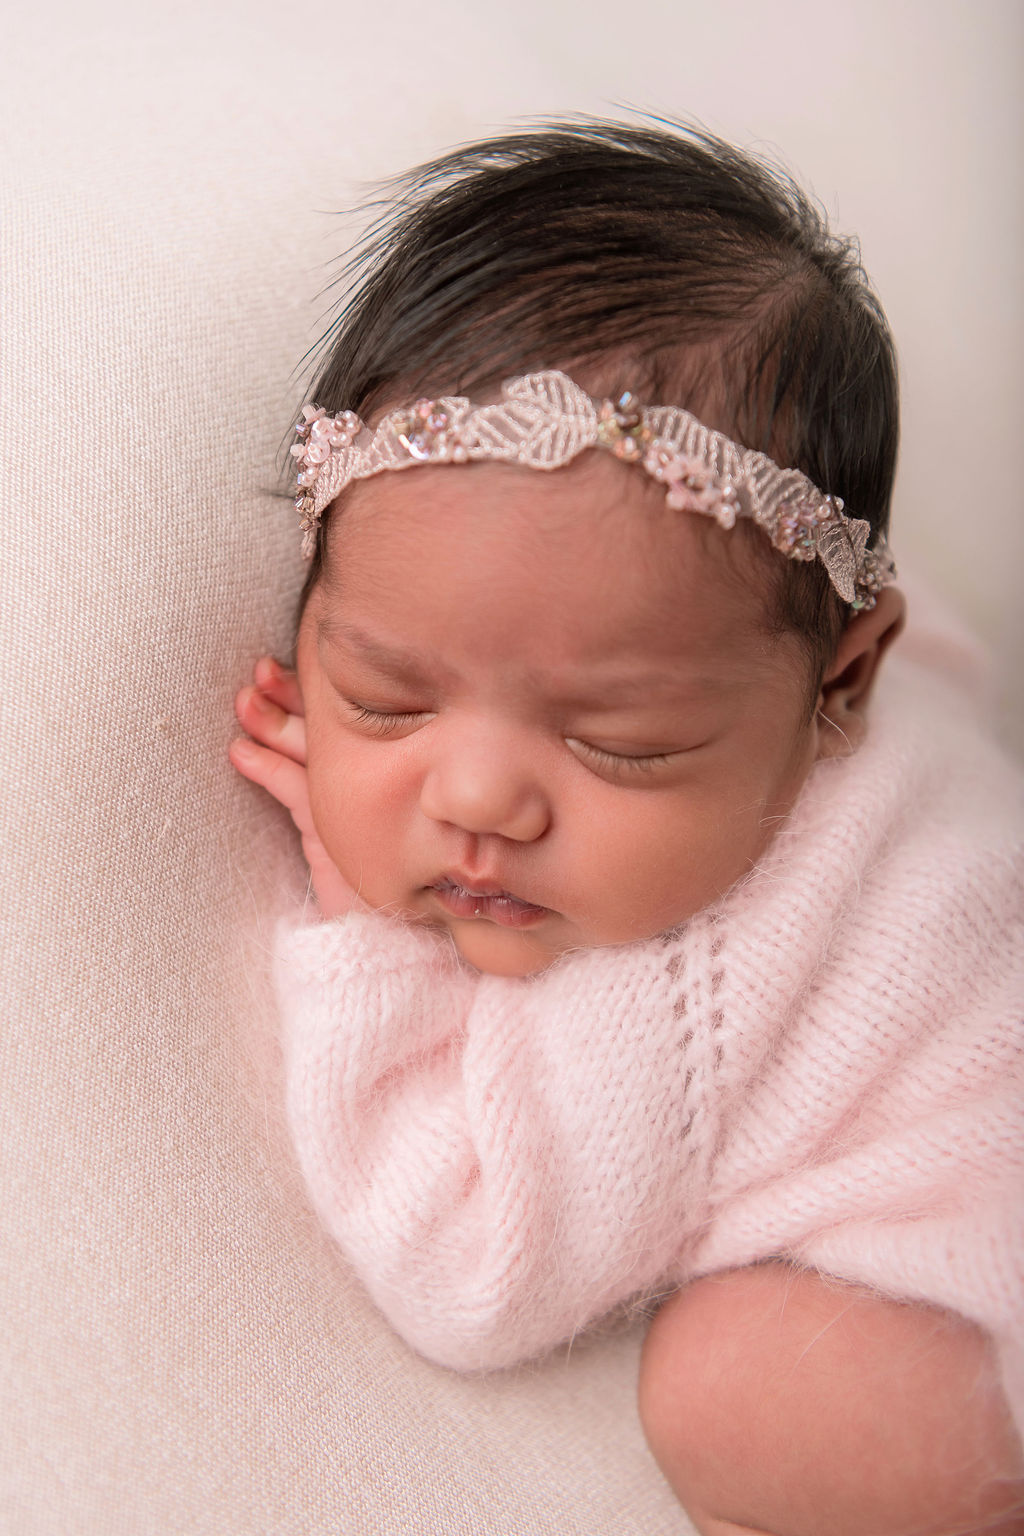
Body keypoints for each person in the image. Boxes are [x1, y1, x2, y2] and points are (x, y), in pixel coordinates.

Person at [229, 122, 1024, 1534]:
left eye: (619, 745)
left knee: (727, 1390)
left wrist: (363, 932)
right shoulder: (863, 673)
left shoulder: (675, 985)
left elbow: (473, 1268)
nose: (476, 800)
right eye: (387, 698)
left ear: (842, 679)